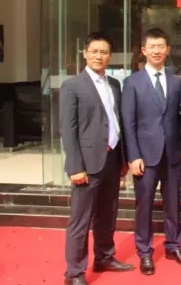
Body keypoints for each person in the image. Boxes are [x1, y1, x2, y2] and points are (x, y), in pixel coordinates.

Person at [60, 31, 133, 285]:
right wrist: (75, 166)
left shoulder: (114, 84)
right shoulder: (72, 86)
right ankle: (74, 272)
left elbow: (116, 122)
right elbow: (68, 129)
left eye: (103, 52)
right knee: (80, 219)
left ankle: (105, 256)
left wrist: (123, 159)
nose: (98, 56)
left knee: (108, 212)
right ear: (85, 53)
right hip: (86, 163)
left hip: (112, 159)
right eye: (94, 51)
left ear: (110, 56)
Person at [121, 28, 181, 275]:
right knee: (145, 206)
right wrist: (133, 156)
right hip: (145, 156)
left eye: (161, 46)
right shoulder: (132, 83)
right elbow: (128, 123)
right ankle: (145, 252)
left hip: (172, 154)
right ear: (144, 50)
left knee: (173, 204)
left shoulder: (176, 82)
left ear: (168, 50)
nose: (157, 51)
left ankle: (174, 246)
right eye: (152, 46)